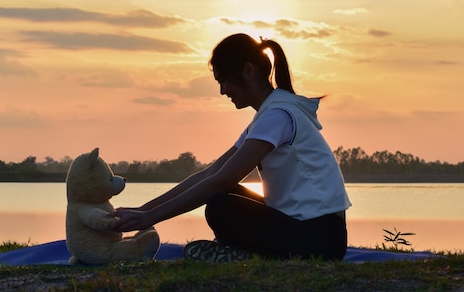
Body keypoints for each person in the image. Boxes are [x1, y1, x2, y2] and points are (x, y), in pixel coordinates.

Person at [111, 33, 351, 262]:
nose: (222, 91)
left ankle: (247, 252)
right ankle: (245, 251)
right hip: (310, 232)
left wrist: (150, 218)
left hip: (321, 239)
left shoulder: (278, 115)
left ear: (248, 71)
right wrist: (144, 210)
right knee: (224, 195)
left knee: (220, 205)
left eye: (224, 81)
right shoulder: (268, 115)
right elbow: (211, 173)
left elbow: (222, 179)